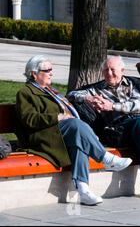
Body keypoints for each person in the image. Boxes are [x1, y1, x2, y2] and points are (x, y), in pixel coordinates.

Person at [16, 55, 132, 206]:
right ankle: (106, 158)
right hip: (42, 135)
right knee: (76, 126)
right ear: (34, 73)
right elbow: (28, 119)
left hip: (59, 133)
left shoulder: (51, 91)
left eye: (52, 69)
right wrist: (56, 117)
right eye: (47, 70)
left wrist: (87, 134)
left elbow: (70, 114)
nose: (51, 73)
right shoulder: (26, 93)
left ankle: (83, 191)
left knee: (80, 142)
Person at [68, 56, 140, 201]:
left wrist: (112, 106)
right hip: (118, 130)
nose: (109, 73)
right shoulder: (97, 89)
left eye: (113, 70)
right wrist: (89, 98)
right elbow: (72, 94)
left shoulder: (133, 84)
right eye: (106, 70)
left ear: (122, 70)